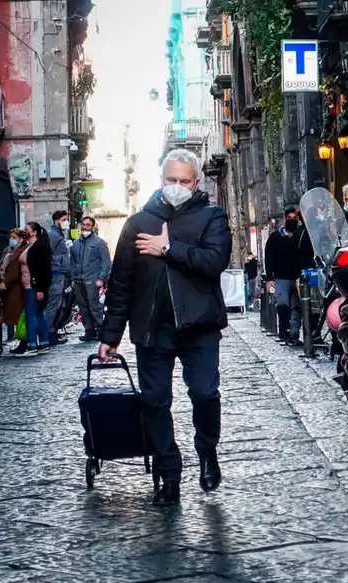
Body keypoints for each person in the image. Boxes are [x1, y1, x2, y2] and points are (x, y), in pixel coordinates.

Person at [98, 148, 232, 507]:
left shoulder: (211, 217)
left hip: (199, 327)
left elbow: (214, 261)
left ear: (195, 181)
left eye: (184, 181)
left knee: (205, 394)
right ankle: (168, 476)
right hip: (152, 330)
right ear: (161, 181)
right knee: (154, 403)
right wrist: (110, 336)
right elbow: (121, 284)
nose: (177, 186)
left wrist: (168, 248)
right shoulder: (138, 223)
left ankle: (207, 450)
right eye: (171, 180)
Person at [263, 206, 305, 346]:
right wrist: (269, 278)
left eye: (295, 218)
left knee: (297, 307)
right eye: (289, 218)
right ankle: (284, 329)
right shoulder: (275, 237)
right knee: (282, 304)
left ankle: (293, 335)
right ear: (284, 218)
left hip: (298, 277)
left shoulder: (300, 235)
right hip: (281, 277)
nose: (292, 220)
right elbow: (268, 258)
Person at [12, 222, 53, 356]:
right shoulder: (31, 246)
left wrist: (40, 288)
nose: (25, 231)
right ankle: (43, 342)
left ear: (34, 232)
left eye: (27, 230)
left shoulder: (38, 248)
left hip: (33, 286)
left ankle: (32, 344)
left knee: (32, 315)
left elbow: (42, 270)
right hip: (30, 285)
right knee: (38, 314)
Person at [70, 216, 112, 342]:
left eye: (88, 224)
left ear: (92, 227)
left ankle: (100, 329)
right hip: (78, 280)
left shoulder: (99, 243)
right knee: (83, 307)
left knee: (94, 306)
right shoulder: (76, 244)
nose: (85, 226)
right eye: (83, 224)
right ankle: (89, 331)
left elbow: (106, 263)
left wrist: (101, 278)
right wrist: (73, 278)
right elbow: (72, 262)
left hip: (92, 280)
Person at [46, 211, 72, 343]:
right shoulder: (53, 235)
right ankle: (48, 333)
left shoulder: (59, 234)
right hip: (56, 273)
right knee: (53, 305)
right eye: (64, 219)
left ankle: (52, 331)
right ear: (57, 221)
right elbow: (47, 254)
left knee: (59, 305)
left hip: (61, 272)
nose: (66, 222)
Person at [0, 229, 27, 345]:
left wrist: (5, 282)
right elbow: (1, 265)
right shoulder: (7, 251)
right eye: (10, 237)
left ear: (21, 239)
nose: (12, 240)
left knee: (18, 316)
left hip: (16, 288)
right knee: (8, 315)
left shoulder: (22, 251)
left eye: (14, 237)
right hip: (6, 287)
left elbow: (15, 271)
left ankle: (23, 341)